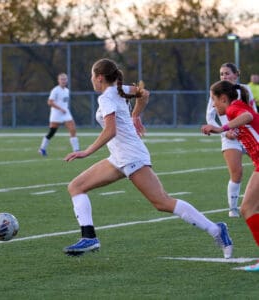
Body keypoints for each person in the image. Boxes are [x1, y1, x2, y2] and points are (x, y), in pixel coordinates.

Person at [63, 58, 233, 259]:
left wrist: (86, 151)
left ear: (99, 78)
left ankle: (216, 230)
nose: (91, 80)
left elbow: (110, 130)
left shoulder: (106, 98)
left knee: (162, 202)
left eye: (92, 76)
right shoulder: (118, 89)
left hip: (131, 155)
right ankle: (89, 237)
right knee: (76, 186)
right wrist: (135, 116)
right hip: (119, 157)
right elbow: (144, 93)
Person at [202, 80, 259, 272]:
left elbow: (247, 115)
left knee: (248, 208)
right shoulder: (235, 107)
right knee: (248, 208)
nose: (213, 105)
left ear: (223, 98)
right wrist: (233, 133)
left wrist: (221, 128)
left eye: (214, 100)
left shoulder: (234, 109)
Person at [206, 62, 257, 218]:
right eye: (221, 74)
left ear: (236, 74)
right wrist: (225, 132)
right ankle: (233, 209)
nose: (224, 76)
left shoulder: (240, 97)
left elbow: (249, 115)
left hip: (244, 135)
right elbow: (210, 116)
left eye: (227, 73)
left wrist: (223, 128)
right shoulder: (219, 93)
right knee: (237, 173)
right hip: (231, 138)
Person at [38, 73, 79, 156]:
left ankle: (76, 150)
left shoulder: (67, 90)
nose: (63, 81)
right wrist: (60, 109)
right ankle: (42, 149)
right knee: (52, 132)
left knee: (73, 129)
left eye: (65, 79)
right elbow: (50, 102)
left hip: (66, 113)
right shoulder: (55, 90)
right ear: (58, 80)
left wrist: (64, 109)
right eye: (62, 79)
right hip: (56, 114)